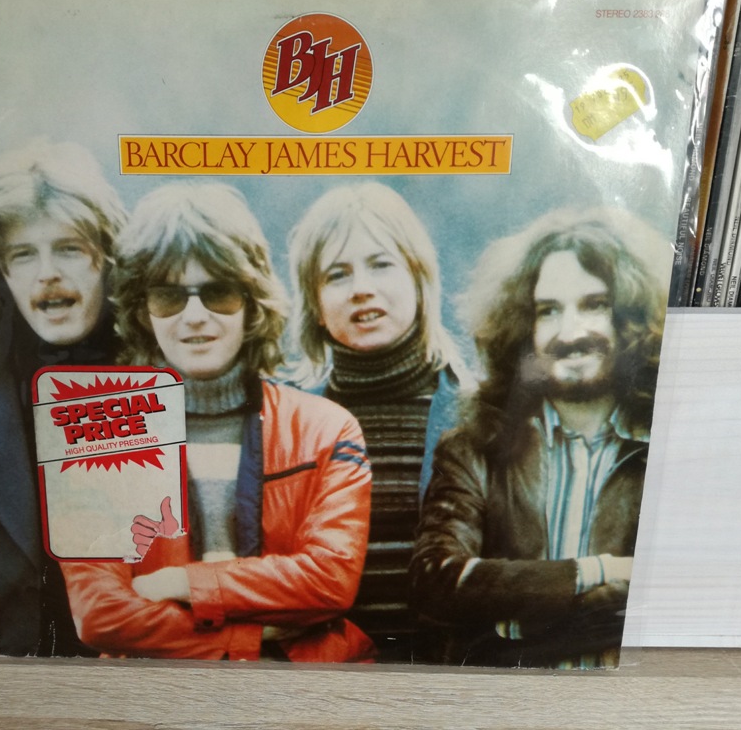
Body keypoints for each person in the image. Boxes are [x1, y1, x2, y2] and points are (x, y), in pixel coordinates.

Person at [61, 182, 374, 662]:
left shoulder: (328, 430)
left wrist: (183, 582)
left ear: (251, 304)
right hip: (158, 691)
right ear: (143, 311)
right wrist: (248, 637)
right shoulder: (96, 435)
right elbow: (100, 614)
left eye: (218, 293)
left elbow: (329, 580)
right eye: (168, 296)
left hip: (302, 685)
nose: (194, 316)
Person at [410, 206, 670, 668]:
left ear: (632, 314)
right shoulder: (472, 450)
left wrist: (516, 612)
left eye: (594, 304)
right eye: (548, 311)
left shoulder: (672, 447)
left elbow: (688, 588)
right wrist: (599, 572)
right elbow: (435, 582)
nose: (570, 332)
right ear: (522, 328)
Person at [0, 139, 128, 657]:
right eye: (23, 254)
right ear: (1, 275)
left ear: (109, 259)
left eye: (70, 248)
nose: (47, 272)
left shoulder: (167, 375)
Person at [287, 182, 468, 661]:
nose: (361, 288)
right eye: (337, 274)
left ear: (419, 279)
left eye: (381, 264)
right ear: (315, 305)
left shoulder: (476, 414)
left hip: (446, 675)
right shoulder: (288, 423)